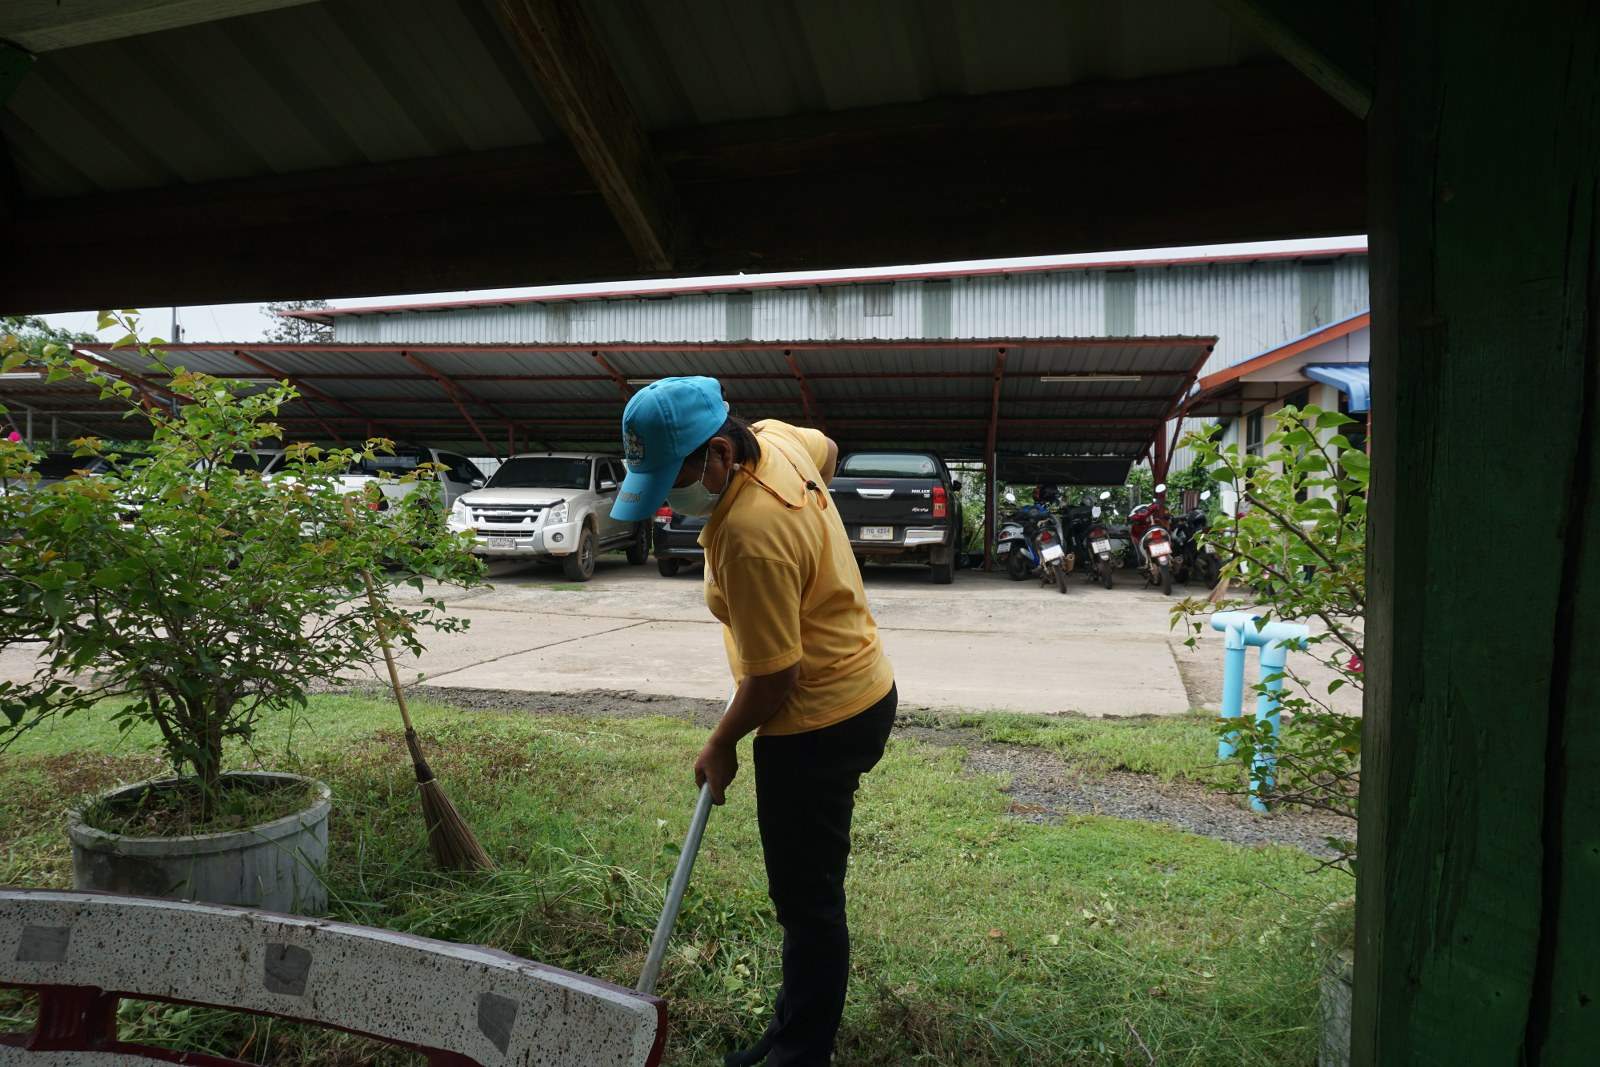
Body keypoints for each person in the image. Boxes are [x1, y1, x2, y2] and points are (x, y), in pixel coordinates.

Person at [611, 376, 897, 1067]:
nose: (669, 502)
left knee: (808, 902)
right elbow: (827, 450)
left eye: (674, 481)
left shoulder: (749, 533)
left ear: (717, 453)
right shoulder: (774, 439)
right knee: (805, 892)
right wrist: (813, 537)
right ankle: (790, 1032)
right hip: (863, 685)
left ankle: (800, 1054)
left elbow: (775, 677)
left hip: (817, 720)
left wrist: (721, 743)